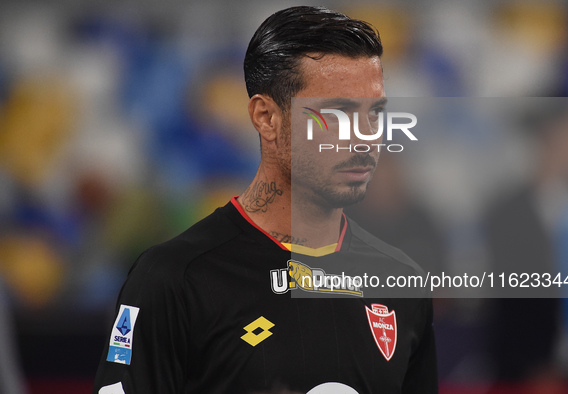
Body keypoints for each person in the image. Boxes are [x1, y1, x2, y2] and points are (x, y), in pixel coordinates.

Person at [94, 6, 437, 393]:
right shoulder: (173, 280)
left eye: (374, 114)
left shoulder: (401, 282)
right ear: (266, 117)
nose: (364, 137)